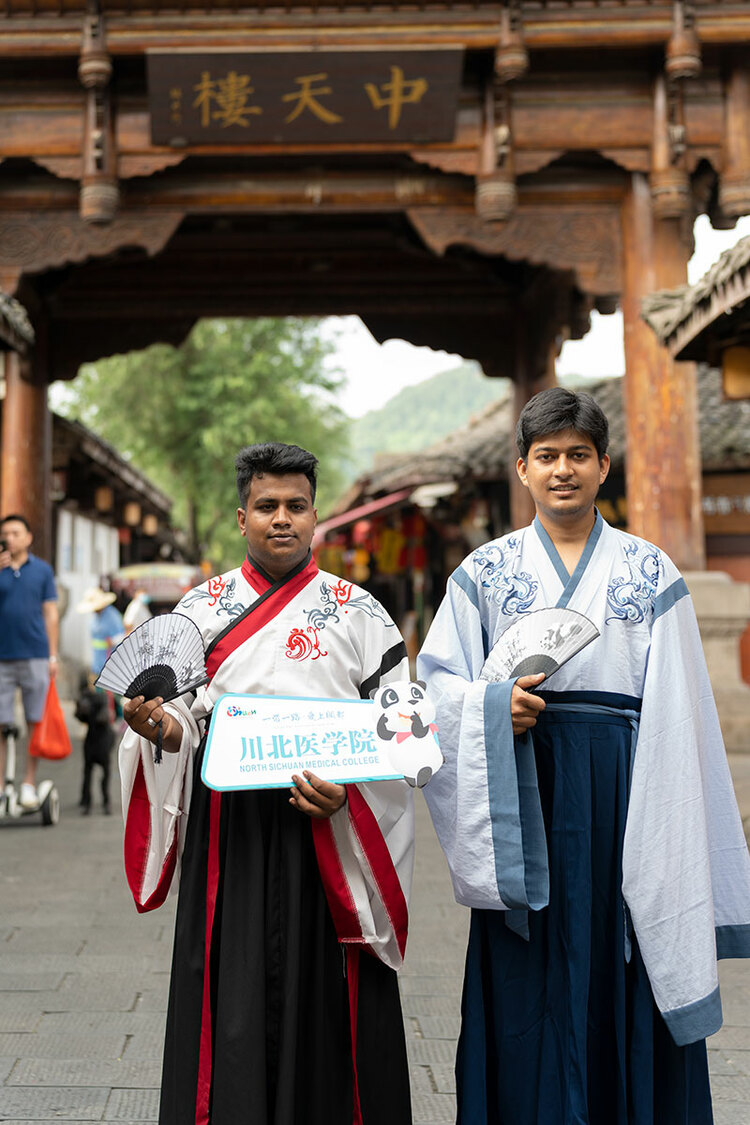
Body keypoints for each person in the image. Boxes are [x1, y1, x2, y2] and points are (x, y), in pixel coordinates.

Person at [418, 388, 750, 1125]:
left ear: (604, 466)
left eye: (577, 455)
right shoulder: (485, 572)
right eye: (546, 456)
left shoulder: (650, 570)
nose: (562, 469)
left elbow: (681, 705)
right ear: (522, 469)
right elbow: (434, 690)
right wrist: (488, 705)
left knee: (626, 946)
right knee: (527, 972)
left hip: (625, 787)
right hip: (519, 788)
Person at [119, 442, 414, 1125]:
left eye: (296, 505)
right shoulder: (198, 608)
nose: (282, 519)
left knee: (328, 1002)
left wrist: (349, 791)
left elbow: (401, 733)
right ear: (241, 515)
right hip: (232, 835)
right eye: (267, 506)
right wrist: (158, 729)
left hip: (329, 828)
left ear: (316, 515)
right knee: (233, 999)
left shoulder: (359, 613)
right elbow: (181, 724)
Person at [0, 514, 58, 810]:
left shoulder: (43, 571)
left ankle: (28, 783)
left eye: (15, 532)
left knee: (35, 720)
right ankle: (1, 787)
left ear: (28, 537)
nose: (9, 537)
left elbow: (50, 613)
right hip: (2, 657)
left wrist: (52, 655)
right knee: (1, 722)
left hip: (35, 654)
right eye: (5, 533)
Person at [76, 587, 124, 678]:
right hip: (97, 661)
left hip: (111, 664)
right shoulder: (95, 617)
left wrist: (113, 641)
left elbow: (121, 636)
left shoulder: (112, 616)